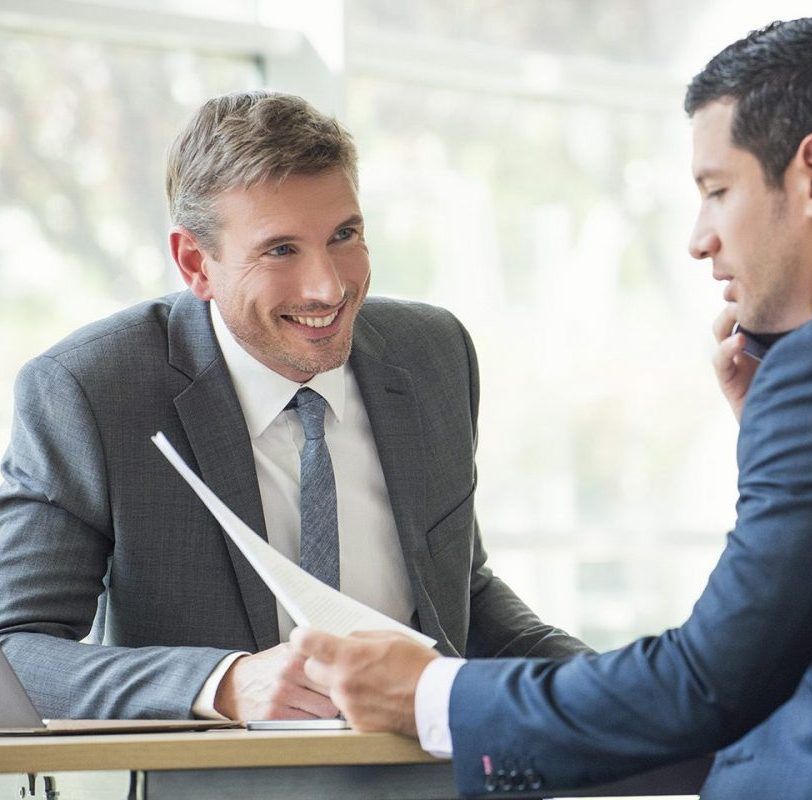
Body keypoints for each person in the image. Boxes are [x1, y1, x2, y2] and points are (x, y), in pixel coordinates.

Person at [289, 14, 812, 799]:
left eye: (717, 191)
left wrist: (429, 695)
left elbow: (706, 683)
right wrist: (772, 432)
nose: (699, 238)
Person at [0, 90, 589, 722]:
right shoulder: (91, 391)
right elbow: (15, 652)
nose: (329, 287)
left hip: (426, 778)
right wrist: (224, 685)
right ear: (195, 262)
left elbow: (463, 601)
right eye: (281, 249)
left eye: (345, 235)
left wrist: (621, 689)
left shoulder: (434, 355)